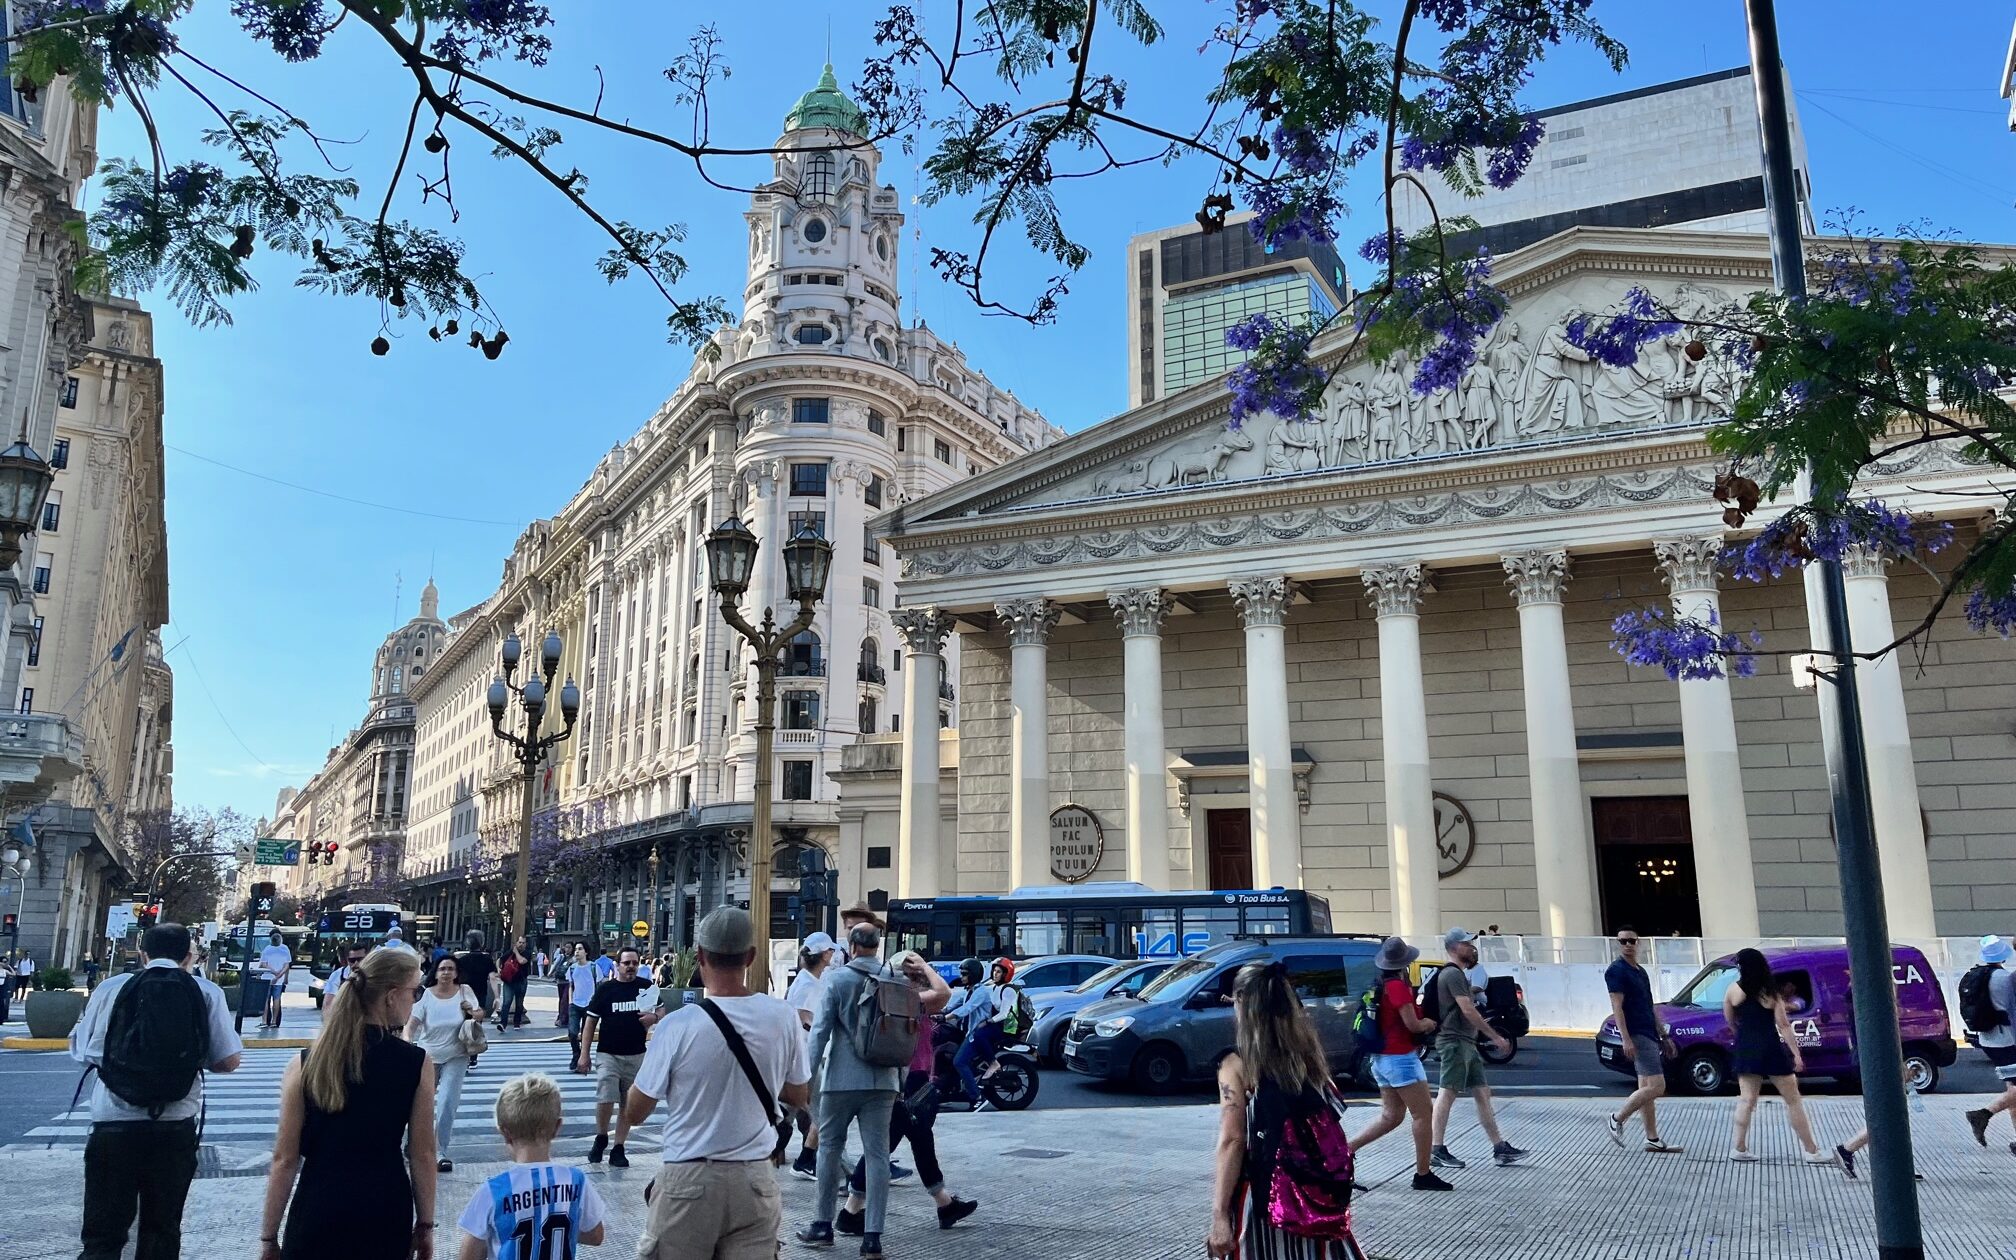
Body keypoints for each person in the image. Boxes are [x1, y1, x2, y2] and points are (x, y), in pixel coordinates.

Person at [624, 907, 810, 1260]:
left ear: (700, 957)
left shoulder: (676, 1025)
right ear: (751, 957)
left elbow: (635, 1112)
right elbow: (799, 1095)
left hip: (689, 1178)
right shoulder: (783, 1017)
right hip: (755, 1180)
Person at [71, 922, 243, 1260]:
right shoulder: (206, 992)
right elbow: (227, 1060)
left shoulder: (110, 988)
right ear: (189, 956)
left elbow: (82, 1053)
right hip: (173, 1128)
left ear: (143, 953)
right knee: (162, 1230)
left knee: (103, 1233)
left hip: (113, 1124)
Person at [260, 946, 438, 1260]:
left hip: (318, 1206)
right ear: (391, 995)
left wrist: (268, 1237)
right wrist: (425, 1225)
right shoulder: (416, 1063)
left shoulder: (305, 1063)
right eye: (416, 990)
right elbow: (422, 1154)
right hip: (384, 1208)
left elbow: (284, 1159)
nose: (417, 999)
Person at [1207, 961, 1360, 1260]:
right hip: (1315, 1197)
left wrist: (1219, 1214)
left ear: (1242, 1004)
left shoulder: (1237, 1065)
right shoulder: (1309, 1058)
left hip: (1265, 1198)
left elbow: (1233, 1140)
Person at [833, 950, 978, 1237]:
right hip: (910, 1080)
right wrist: (924, 966)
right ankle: (850, 1212)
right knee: (886, 1147)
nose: (919, 978)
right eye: (914, 975)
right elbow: (944, 993)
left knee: (914, 1142)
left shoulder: (888, 999)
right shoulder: (908, 1001)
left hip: (900, 1078)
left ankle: (944, 1203)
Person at [796, 924, 902, 1257]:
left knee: (828, 1147)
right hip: (883, 1080)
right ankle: (873, 1237)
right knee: (878, 1155)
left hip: (841, 1079)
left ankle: (823, 1226)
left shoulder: (837, 981)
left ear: (852, 947)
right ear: (876, 945)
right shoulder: (894, 978)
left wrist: (806, 1078)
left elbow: (820, 1034)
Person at [456, 1073, 606, 1260]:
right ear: (557, 1127)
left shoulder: (493, 1191)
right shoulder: (576, 1181)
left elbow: (468, 1255)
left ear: (505, 1132)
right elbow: (596, 1235)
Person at [1346, 936, 1450, 1191]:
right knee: (1423, 1115)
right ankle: (1423, 1174)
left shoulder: (1380, 985)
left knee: (1391, 1116)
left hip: (1381, 1059)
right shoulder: (1398, 988)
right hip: (1401, 1058)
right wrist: (1429, 1024)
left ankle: (1347, 1149)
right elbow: (1412, 1024)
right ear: (1404, 963)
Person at [1429, 927, 1527, 1170]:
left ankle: (1500, 1148)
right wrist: (1494, 1036)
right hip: (1454, 1042)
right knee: (1447, 1093)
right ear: (1454, 948)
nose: (1473, 948)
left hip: (1465, 1043)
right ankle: (1436, 1149)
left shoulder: (1459, 974)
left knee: (1482, 1093)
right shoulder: (1452, 975)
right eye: (1467, 943)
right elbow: (1468, 1010)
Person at [1724, 947, 1832, 1164]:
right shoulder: (1770, 992)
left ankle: (1739, 1147)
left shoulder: (1732, 990)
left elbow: (1729, 1019)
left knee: (1746, 1100)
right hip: (1770, 1047)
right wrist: (1796, 1054)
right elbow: (1783, 1025)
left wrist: (1743, 1036)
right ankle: (1811, 1151)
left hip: (1746, 1047)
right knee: (1792, 1100)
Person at [577, 945, 660, 1167]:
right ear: (618, 965)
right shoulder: (606, 990)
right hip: (608, 1053)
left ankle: (618, 1147)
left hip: (636, 1055)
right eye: (627, 963)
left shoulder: (646, 988)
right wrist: (584, 1055)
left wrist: (654, 1017)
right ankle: (602, 1136)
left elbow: (662, 1010)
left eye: (634, 963)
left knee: (627, 1103)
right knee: (605, 1096)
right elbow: (590, 1021)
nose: (631, 967)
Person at [1604, 926, 1681, 1154]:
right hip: (1637, 1033)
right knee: (1658, 1086)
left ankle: (1652, 1138)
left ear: (1639, 943)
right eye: (1623, 941)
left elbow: (1649, 1005)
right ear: (1617, 944)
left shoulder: (1640, 971)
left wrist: (1663, 1035)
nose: (1627, 945)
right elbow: (1617, 1007)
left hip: (1648, 1031)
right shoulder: (1616, 971)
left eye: (1631, 941)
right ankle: (1617, 1118)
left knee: (1646, 1087)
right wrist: (1626, 1039)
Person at [408, 953, 483, 1173]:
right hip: (428, 1056)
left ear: (457, 972)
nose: (446, 973)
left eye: (451, 969)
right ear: (436, 972)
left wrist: (472, 1011)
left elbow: (479, 1015)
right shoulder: (427, 995)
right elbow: (412, 1023)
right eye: (442, 969)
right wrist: (406, 1040)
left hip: (457, 1055)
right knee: (421, 1104)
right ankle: (412, 1142)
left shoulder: (464, 991)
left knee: (448, 1102)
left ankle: (439, 1151)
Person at [786, 931, 839, 1179]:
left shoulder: (815, 980)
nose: (833, 954)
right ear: (822, 954)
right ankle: (847, 1174)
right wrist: (823, 1029)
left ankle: (806, 1158)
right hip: (807, 1055)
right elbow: (800, 1016)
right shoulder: (805, 983)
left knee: (801, 1111)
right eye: (830, 950)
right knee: (825, 1113)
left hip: (813, 1053)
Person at [1966, 933, 2016, 1150]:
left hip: (1988, 1038)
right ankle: (1984, 1113)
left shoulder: (1977, 975)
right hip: (2008, 1038)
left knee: (2012, 1087)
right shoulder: (2006, 979)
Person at [952, 957, 1019, 1108]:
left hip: (1003, 1027)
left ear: (1006, 974)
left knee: (978, 1036)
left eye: (999, 972)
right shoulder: (994, 988)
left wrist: (987, 1022)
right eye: (994, 971)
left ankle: (992, 1065)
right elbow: (962, 1002)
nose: (995, 974)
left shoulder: (1008, 990)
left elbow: (1003, 1014)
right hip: (992, 1024)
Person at [563, 942, 599, 1069]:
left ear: (586, 952)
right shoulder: (572, 968)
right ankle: (576, 1054)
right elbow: (571, 986)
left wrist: (596, 1003)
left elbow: (599, 985)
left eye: (580, 949)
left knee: (585, 1034)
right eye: (576, 950)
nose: (577, 952)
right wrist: (570, 1002)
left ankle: (583, 1058)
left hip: (590, 1005)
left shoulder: (594, 967)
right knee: (572, 1032)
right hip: (575, 1004)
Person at [457, 930, 500, 1029]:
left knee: (464, 1019)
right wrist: (496, 996)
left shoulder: (462, 960)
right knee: (478, 1020)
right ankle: (474, 1040)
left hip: (464, 994)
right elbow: (493, 978)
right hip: (481, 992)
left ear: (468, 943)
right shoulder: (487, 959)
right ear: (482, 943)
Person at [258, 930, 295, 1031]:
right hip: (279, 980)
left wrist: (273, 973)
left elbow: (263, 964)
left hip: (267, 978)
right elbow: (287, 965)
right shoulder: (285, 949)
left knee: (265, 1000)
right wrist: (280, 976)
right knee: (277, 999)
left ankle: (264, 1021)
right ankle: (274, 1021)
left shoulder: (267, 949)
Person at [498, 937, 533, 1030]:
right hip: (509, 981)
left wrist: (516, 952)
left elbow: (522, 961)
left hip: (521, 981)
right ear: (516, 943)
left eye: (523, 943)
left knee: (519, 1003)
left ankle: (516, 1023)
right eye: (519, 942)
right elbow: (500, 959)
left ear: (526, 944)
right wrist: (498, 969)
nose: (521, 944)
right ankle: (503, 1023)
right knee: (506, 1002)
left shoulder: (527, 953)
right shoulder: (510, 952)